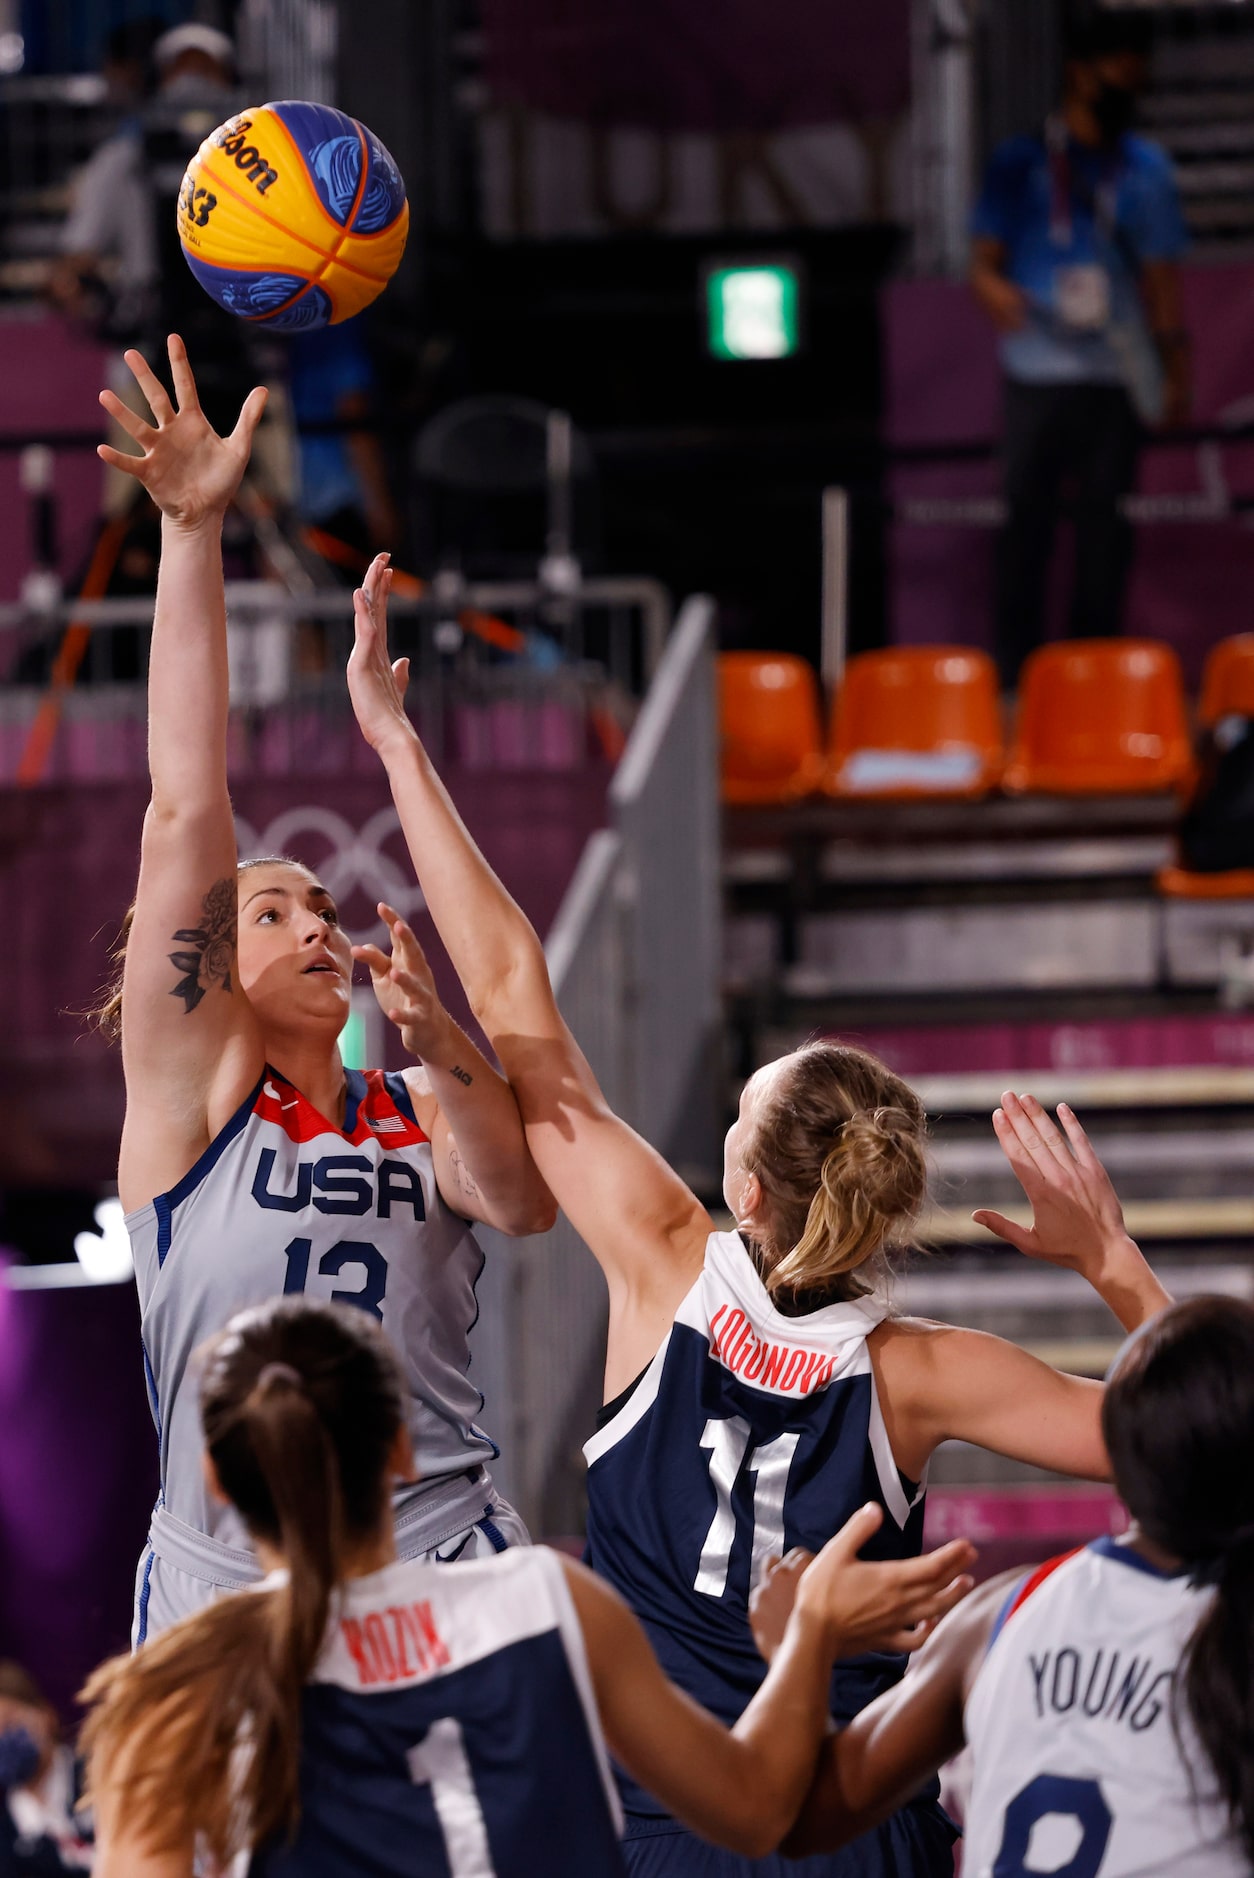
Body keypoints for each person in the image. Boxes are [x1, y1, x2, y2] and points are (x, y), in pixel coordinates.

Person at [340, 550, 1173, 1876]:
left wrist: (395, 740)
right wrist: (1115, 1264)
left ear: (742, 1187)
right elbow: (1194, 1452)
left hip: (665, 1817)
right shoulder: (923, 1372)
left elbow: (514, 996)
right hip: (849, 1815)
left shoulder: (663, 1260)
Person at [91, 337, 555, 1646]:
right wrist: (193, 532)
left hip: (437, 1562)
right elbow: (187, 796)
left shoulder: (417, 1103)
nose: (318, 923)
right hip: (224, 1590)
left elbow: (520, 1203)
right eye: (275, 908)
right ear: (209, 969)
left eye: (321, 904)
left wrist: (445, 1041)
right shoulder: (188, 1109)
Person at [80, 1295, 978, 1877]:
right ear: (400, 1446)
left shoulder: (173, 1690)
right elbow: (754, 1811)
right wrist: (807, 1638)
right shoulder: (548, 1603)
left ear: (222, 1478)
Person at [755, 1293, 1254, 1874]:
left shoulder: (1004, 1613)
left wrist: (802, 1644)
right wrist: (1116, 1265)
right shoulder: (1232, 1632)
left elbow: (806, 1814)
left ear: (1113, 1448)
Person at [969, 9, 1190, 688]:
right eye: (1119, 63)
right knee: (1024, 531)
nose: (1131, 76)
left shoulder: (1147, 168)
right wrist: (994, 291)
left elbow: (1160, 281)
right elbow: (983, 262)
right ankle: (1016, 681)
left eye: (1138, 65)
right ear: (1080, 71)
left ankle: (1091, 675)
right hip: (1036, 368)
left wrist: (1173, 371)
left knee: (1105, 535)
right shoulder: (1021, 161)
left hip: (1112, 374)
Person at [0, 1662, 92, 1874]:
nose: (3, 1738)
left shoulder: (101, 1775)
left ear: (46, 1714)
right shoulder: (7, 1842)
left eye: (9, 1721)